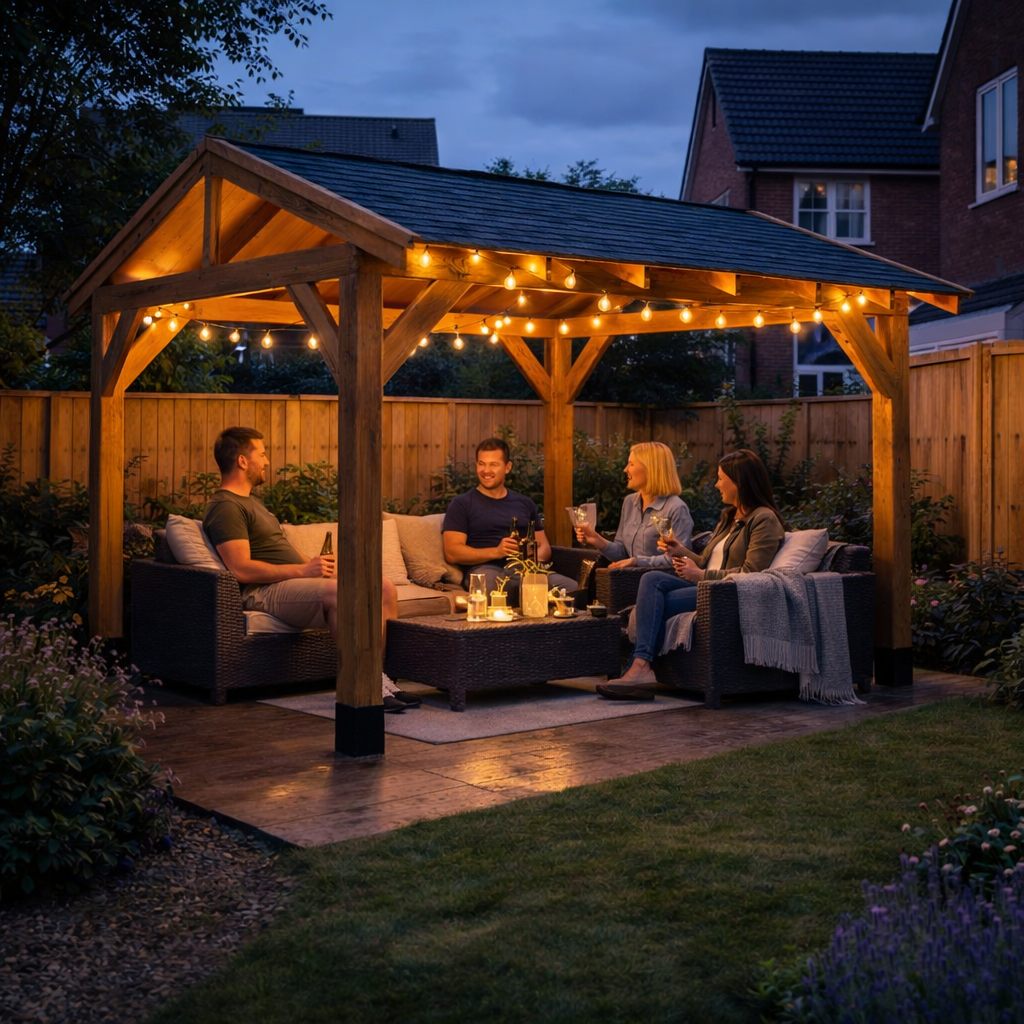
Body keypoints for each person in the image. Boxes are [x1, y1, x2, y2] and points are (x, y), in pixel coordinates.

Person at [202, 426, 418, 713]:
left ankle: (381, 679)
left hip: (292, 584)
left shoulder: (253, 504)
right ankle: (362, 685)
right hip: (264, 591)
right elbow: (241, 569)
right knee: (339, 593)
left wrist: (315, 565)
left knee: (384, 587)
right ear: (242, 461)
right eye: (262, 455)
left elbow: (279, 550)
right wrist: (304, 572)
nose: (267, 462)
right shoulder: (226, 506)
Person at [597, 448, 787, 701]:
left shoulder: (763, 519)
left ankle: (639, 667)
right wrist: (680, 550)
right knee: (651, 579)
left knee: (653, 603)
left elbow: (752, 573)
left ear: (739, 482)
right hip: (705, 586)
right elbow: (704, 560)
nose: (717, 484)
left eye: (721, 478)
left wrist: (701, 575)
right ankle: (641, 667)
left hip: (725, 593)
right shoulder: (729, 517)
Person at [442, 437, 577, 603]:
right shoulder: (462, 504)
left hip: (526, 570)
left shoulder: (524, 503)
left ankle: (550, 629)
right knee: (493, 588)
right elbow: (452, 552)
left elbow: (544, 548)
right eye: (481, 464)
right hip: (486, 570)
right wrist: (497, 552)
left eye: (493, 464)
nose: (485, 470)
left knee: (572, 588)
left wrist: (528, 559)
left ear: (507, 467)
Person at [574, 441, 693, 568]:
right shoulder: (630, 502)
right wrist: (597, 540)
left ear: (650, 469)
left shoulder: (675, 508)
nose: (625, 469)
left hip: (658, 582)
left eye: (631, 464)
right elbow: (622, 553)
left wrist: (637, 562)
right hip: (631, 580)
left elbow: (679, 560)